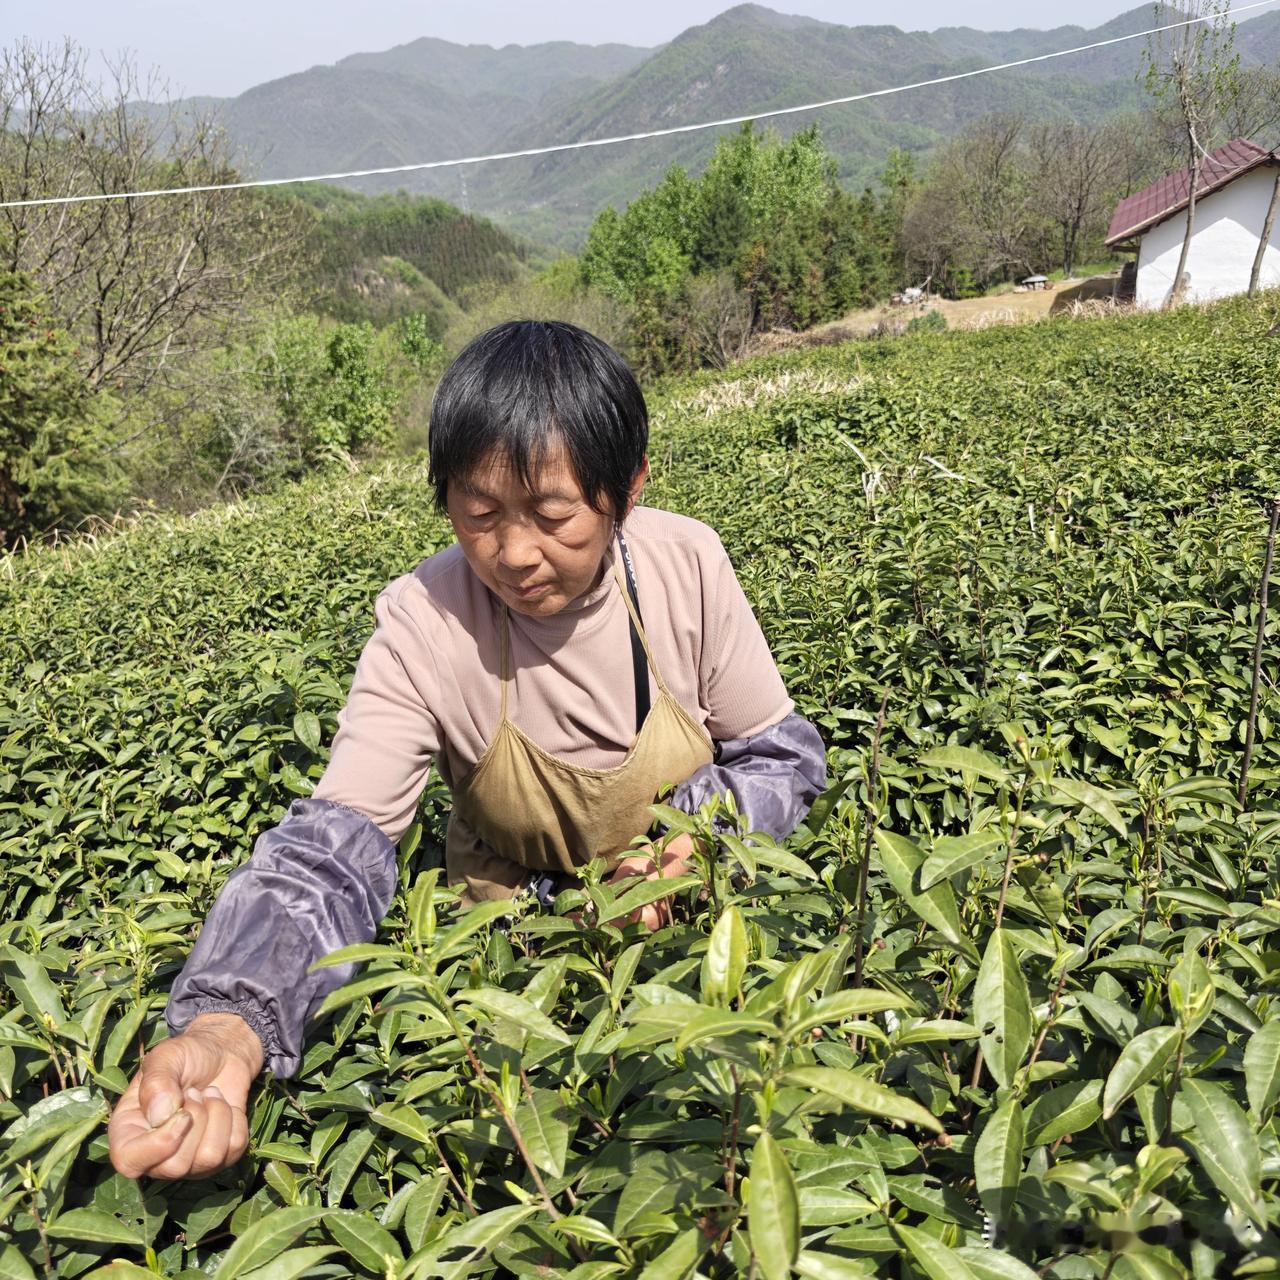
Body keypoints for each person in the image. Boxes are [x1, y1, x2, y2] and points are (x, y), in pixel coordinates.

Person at [107, 320, 826, 1180]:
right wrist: (230, 1022)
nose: (514, 554)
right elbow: (331, 850)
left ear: (628, 487)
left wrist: (693, 844)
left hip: (690, 937)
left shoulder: (686, 565)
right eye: (479, 514)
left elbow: (780, 758)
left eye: (553, 514)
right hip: (506, 943)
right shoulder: (422, 622)